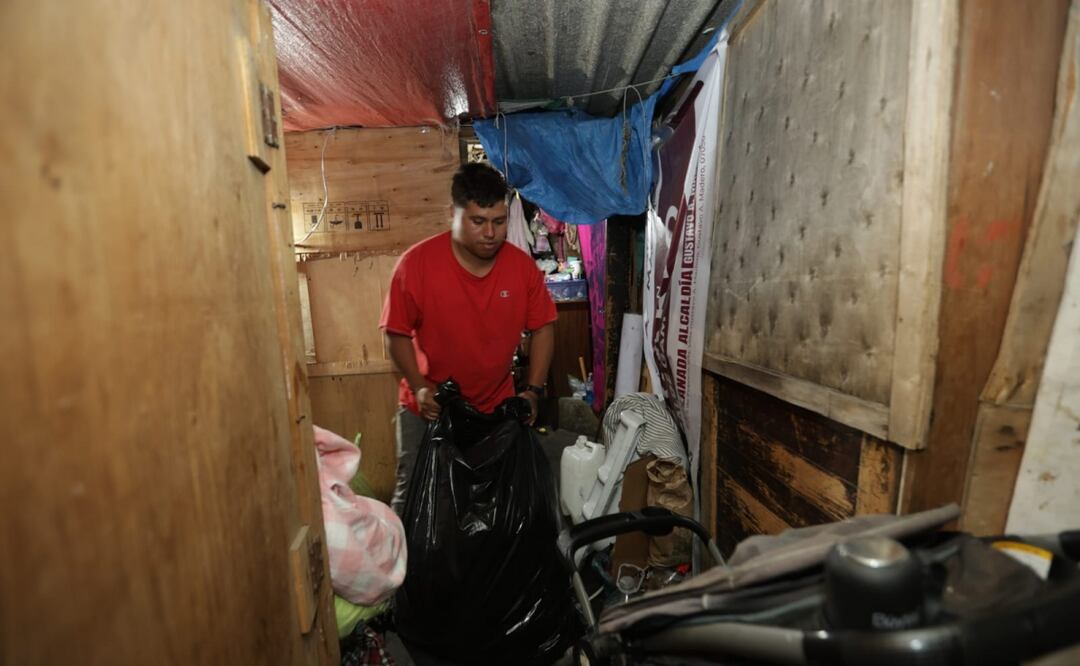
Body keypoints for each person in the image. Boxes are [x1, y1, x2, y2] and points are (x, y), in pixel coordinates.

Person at [379, 162, 556, 514]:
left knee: (494, 506)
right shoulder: (416, 265)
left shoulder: (521, 269)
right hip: (427, 409)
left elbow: (544, 327)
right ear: (453, 215)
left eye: (499, 221)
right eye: (478, 221)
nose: (490, 232)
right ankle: (405, 571)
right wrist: (418, 386)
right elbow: (395, 333)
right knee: (415, 499)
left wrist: (533, 390)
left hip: (494, 409)